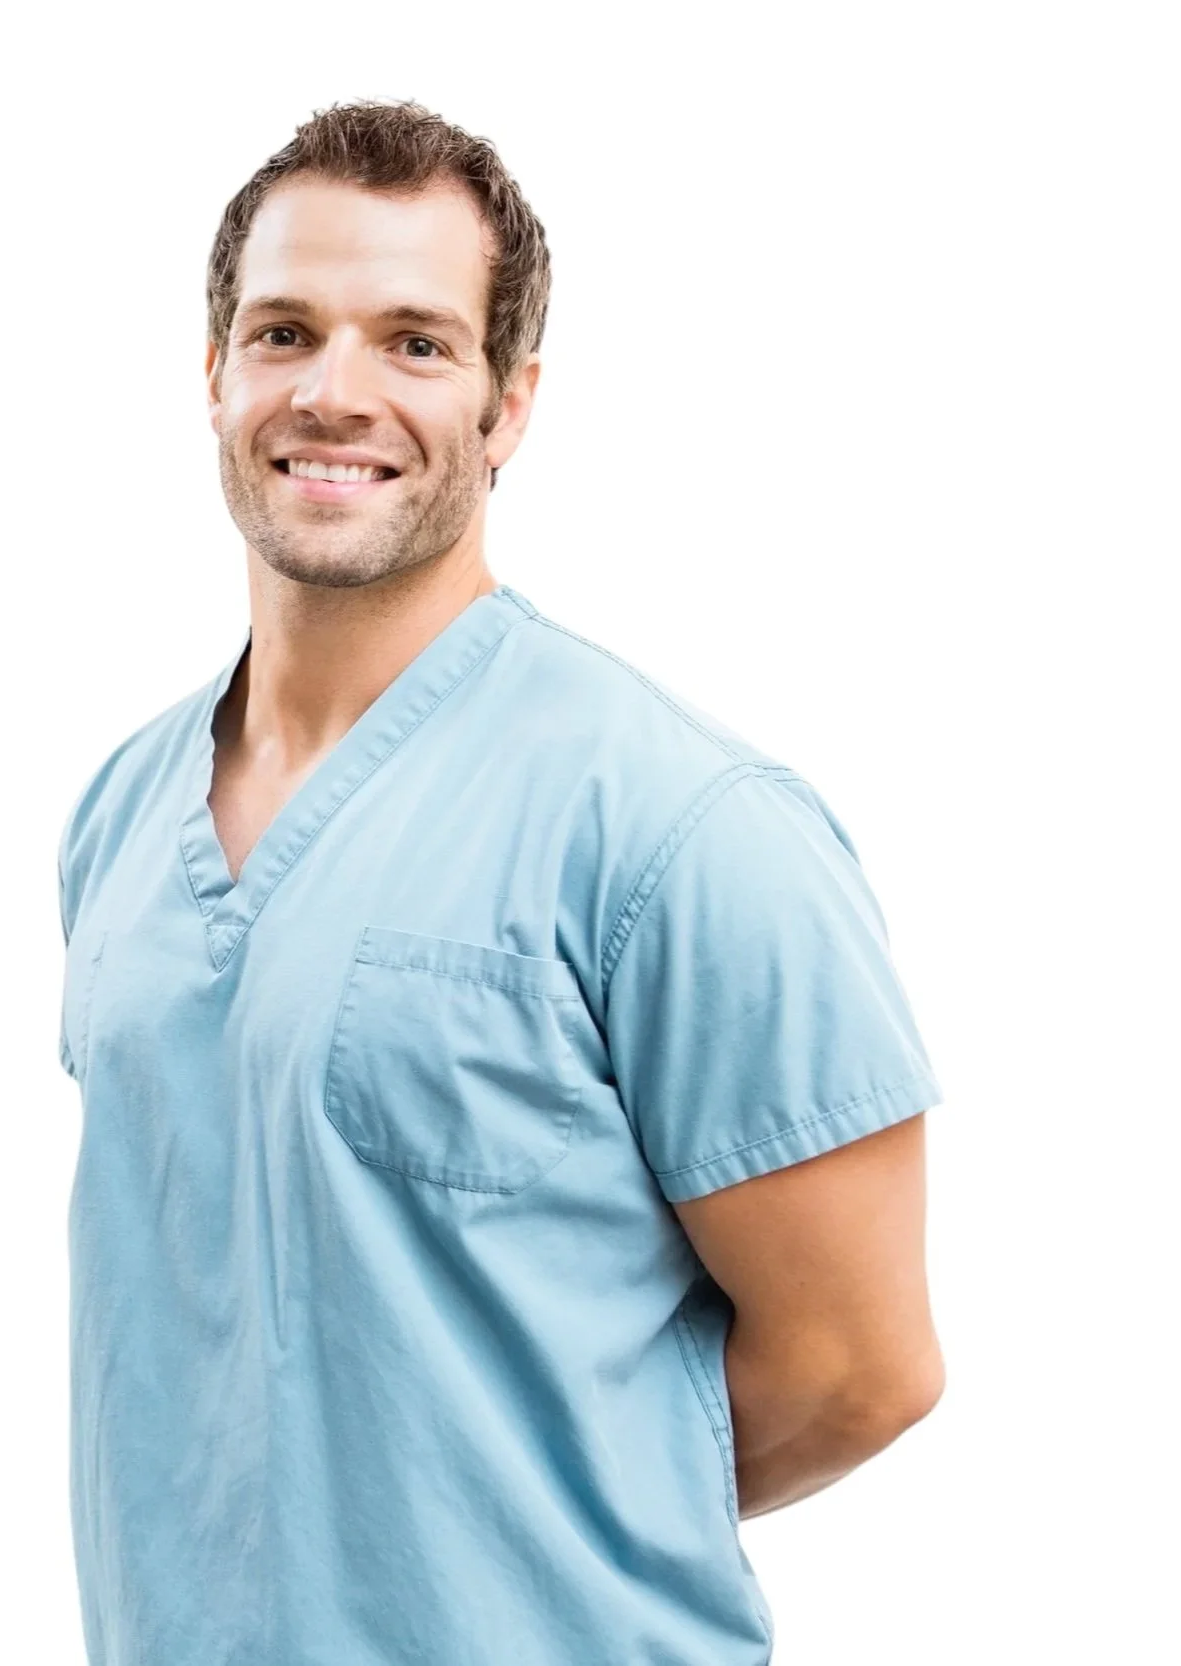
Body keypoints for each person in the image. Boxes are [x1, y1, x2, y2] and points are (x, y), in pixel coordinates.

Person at [55, 97, 946, 1666]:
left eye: (414, 341)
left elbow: (862, 1367)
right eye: (283, 331)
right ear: (212, 377)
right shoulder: (124, 814)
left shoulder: (679, 824)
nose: (334, 392)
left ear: (507, 402)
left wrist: (507, 1515)